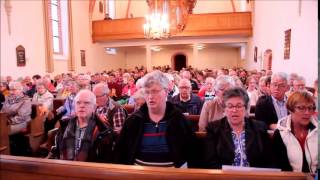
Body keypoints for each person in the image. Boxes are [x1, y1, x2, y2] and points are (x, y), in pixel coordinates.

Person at [114, 70, 196, 168]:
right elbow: (121, 154)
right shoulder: (133, 121)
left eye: (155, 91)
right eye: (147, 92)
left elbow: (193, 153)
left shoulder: (179, 120)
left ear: (166, 92)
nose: (150, 97)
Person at [204, 87, 273, 169]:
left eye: (239, 106)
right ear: (224, 109)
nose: (234, 110)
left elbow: (269, 159)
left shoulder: (259, 128)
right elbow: (210, 161)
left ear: (246, 108)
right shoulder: (214, 129)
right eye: (230, 106)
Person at [50, 89, 114, 162]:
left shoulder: (103, 130)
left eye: (86, 103)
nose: (82, 106)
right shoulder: (65, 125)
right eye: (78, 103)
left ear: (94, 107)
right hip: (65, 168)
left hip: (91, 170)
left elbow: (106, 160)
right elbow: (56, 151)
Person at [272, 91, 317, 174]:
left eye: (310, 108)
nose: (307, 112)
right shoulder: (281, 133)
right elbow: (280, 167)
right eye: (301, 108)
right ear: (290, 109)